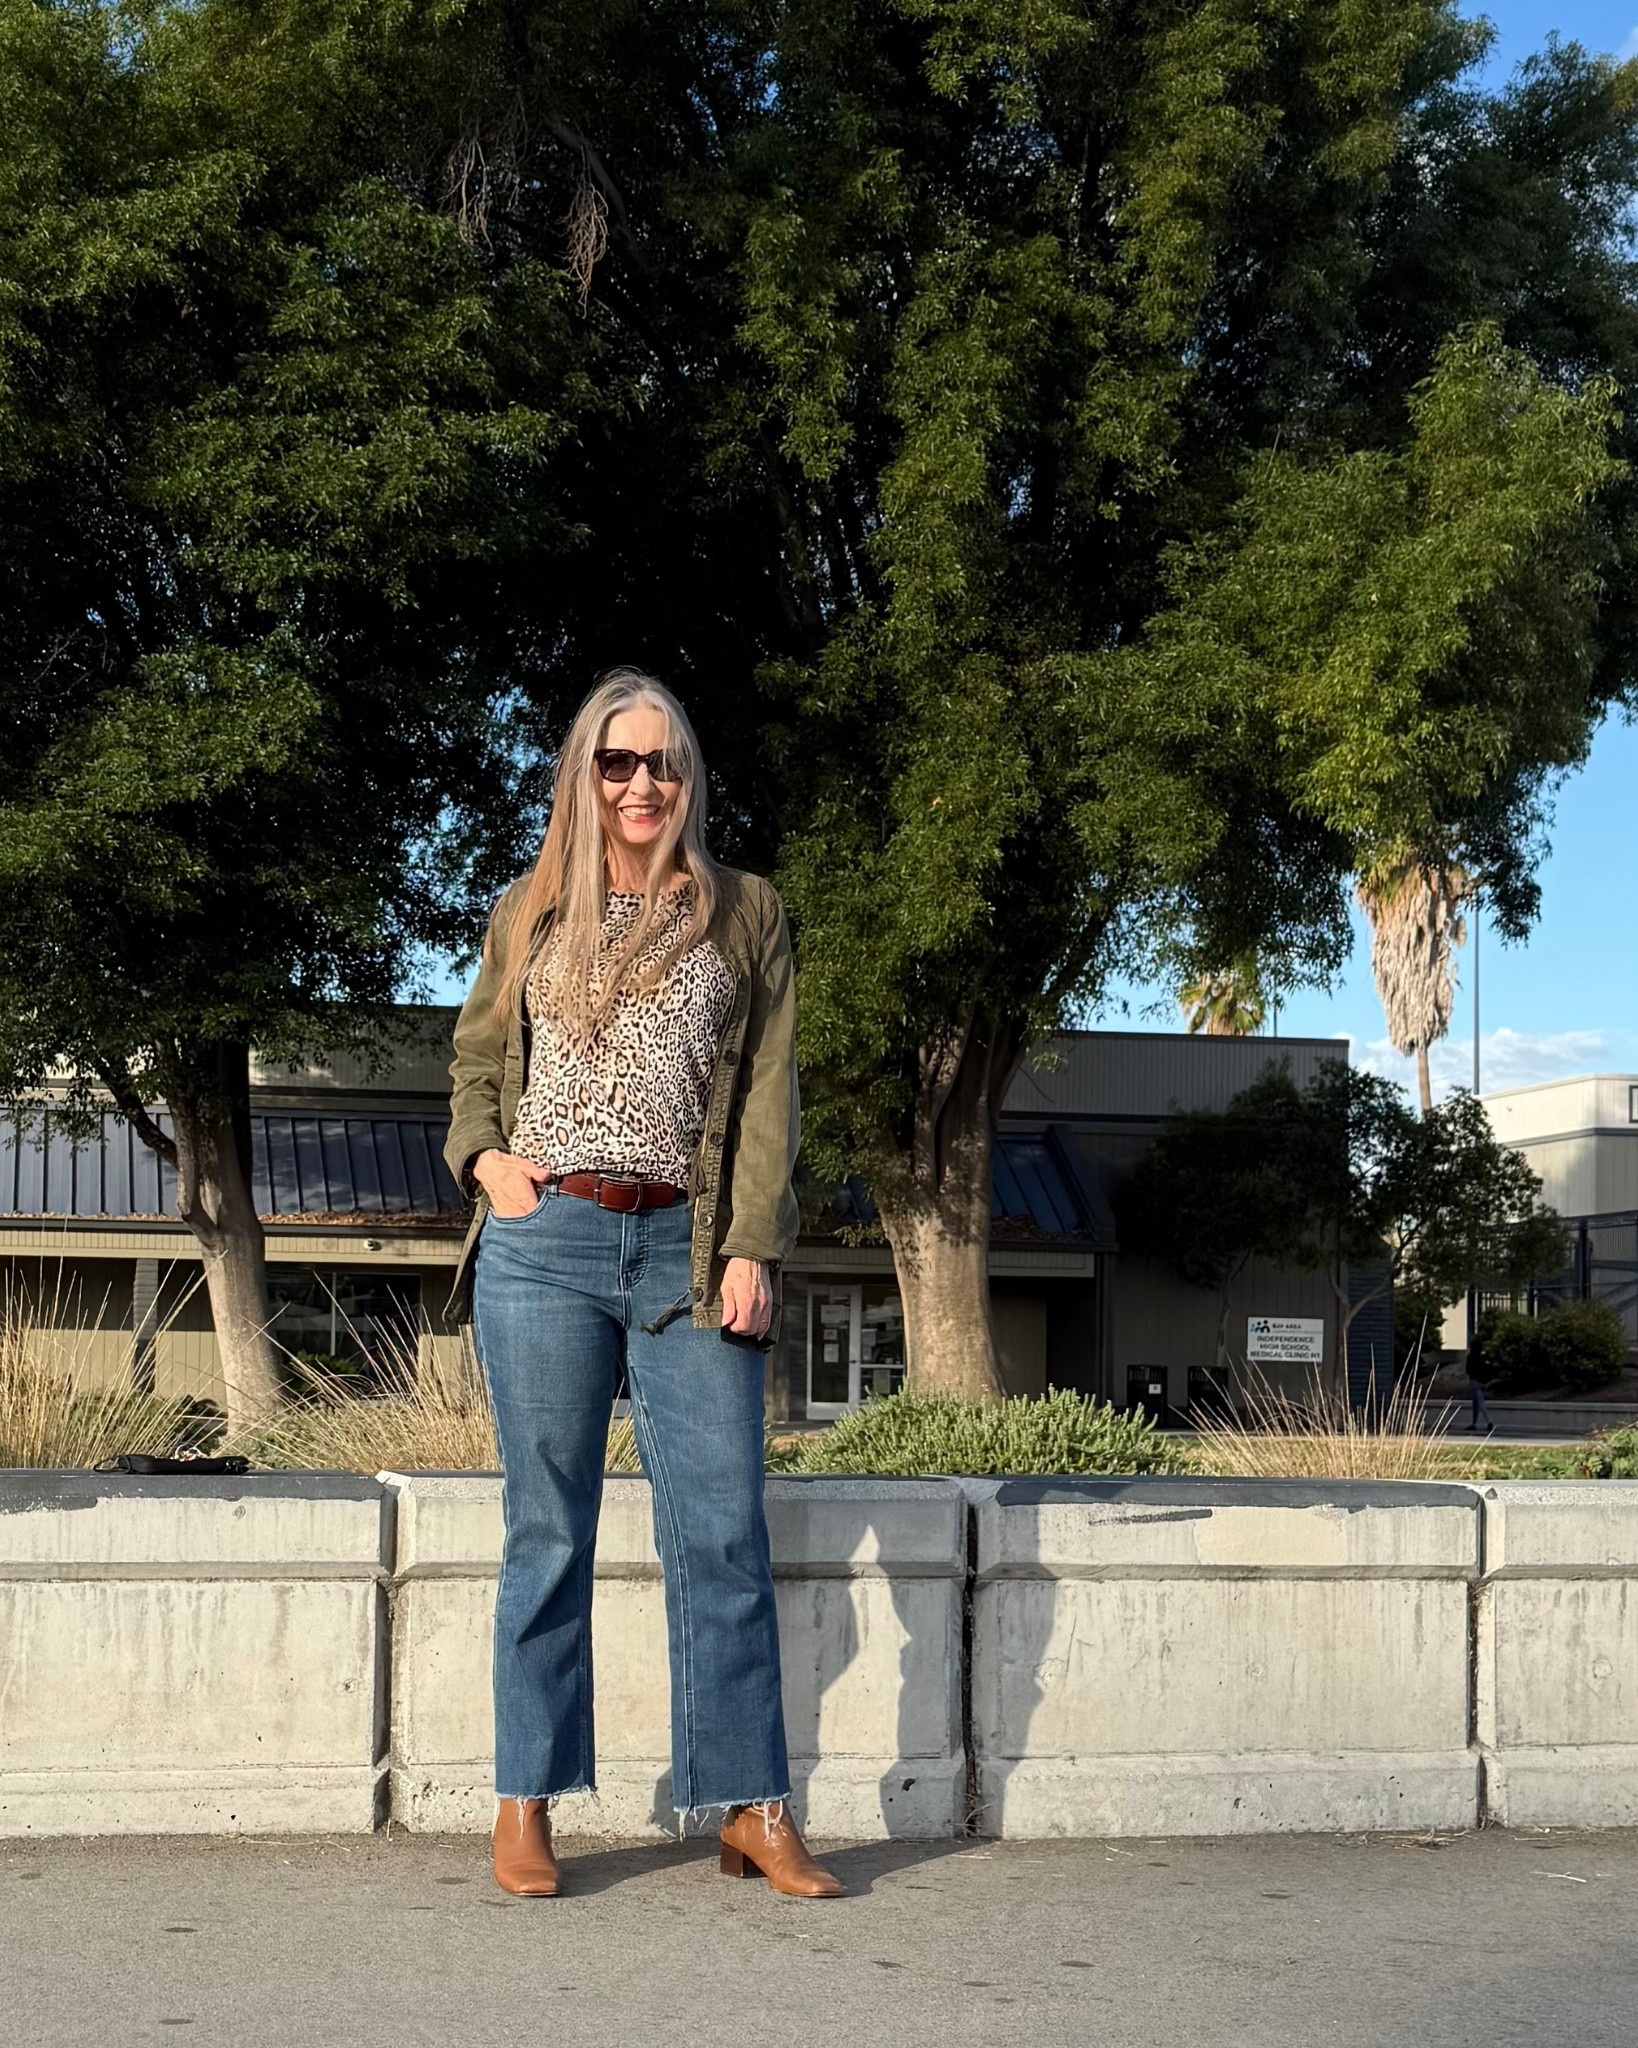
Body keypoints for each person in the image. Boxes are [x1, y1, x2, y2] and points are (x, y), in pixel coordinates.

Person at [443, 666, 843, 1901]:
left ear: (689, 777)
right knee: (547, 1528)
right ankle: (527, 1800)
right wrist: (488, 1161)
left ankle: (752, 1805)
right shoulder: (528, 908)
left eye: (660, 761)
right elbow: (470, 1059)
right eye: (616, 761)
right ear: (585, 773)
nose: (639, 783)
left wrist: (751, 1246)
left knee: (721, 1527)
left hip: (685, 1243)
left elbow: (768, 1094)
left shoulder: (745, 911)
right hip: (544, 1239)